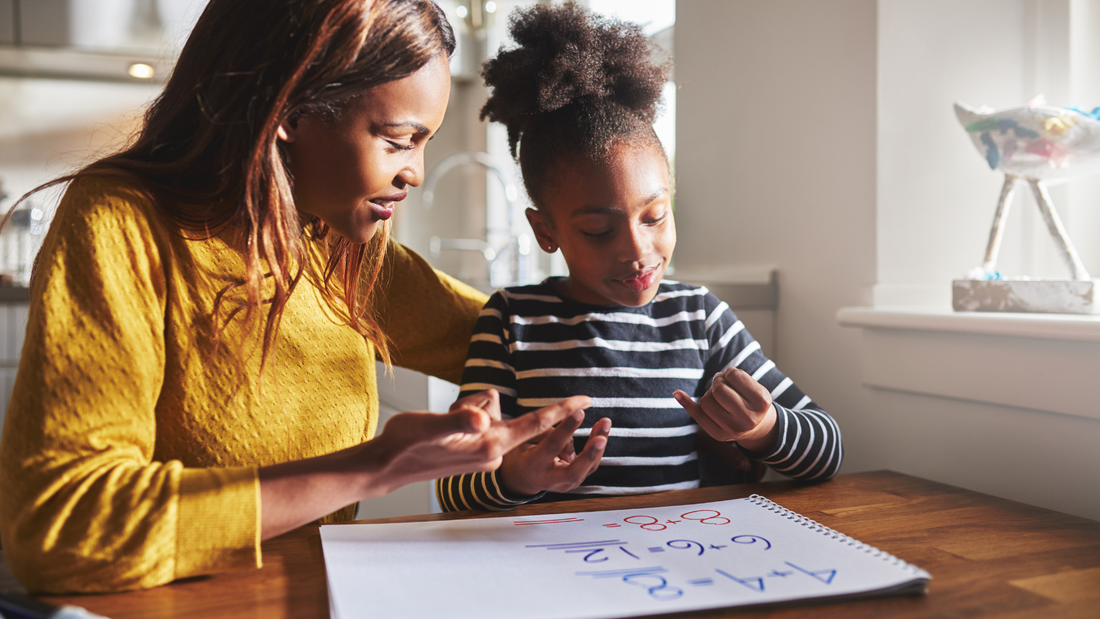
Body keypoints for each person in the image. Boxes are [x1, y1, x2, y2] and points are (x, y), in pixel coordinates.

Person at [0, 0, 591, 594]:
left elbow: (527, 343)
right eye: (396, 140)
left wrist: (676, 343)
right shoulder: (121, 222)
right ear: (291, 107)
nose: (415, 171)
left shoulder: (337, 241)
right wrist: (374, 465)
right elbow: (60, 528)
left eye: (424, 141)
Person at [436, 3, 842, 511]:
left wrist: (765, 429)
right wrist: (515, 477)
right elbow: (452, 487)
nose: (636, 250)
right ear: (546, 231)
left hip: (679, 562)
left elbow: (829, 449)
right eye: (599, 230)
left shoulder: (698, 317)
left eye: (654, 217)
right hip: (553, 567)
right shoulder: (510, 320)